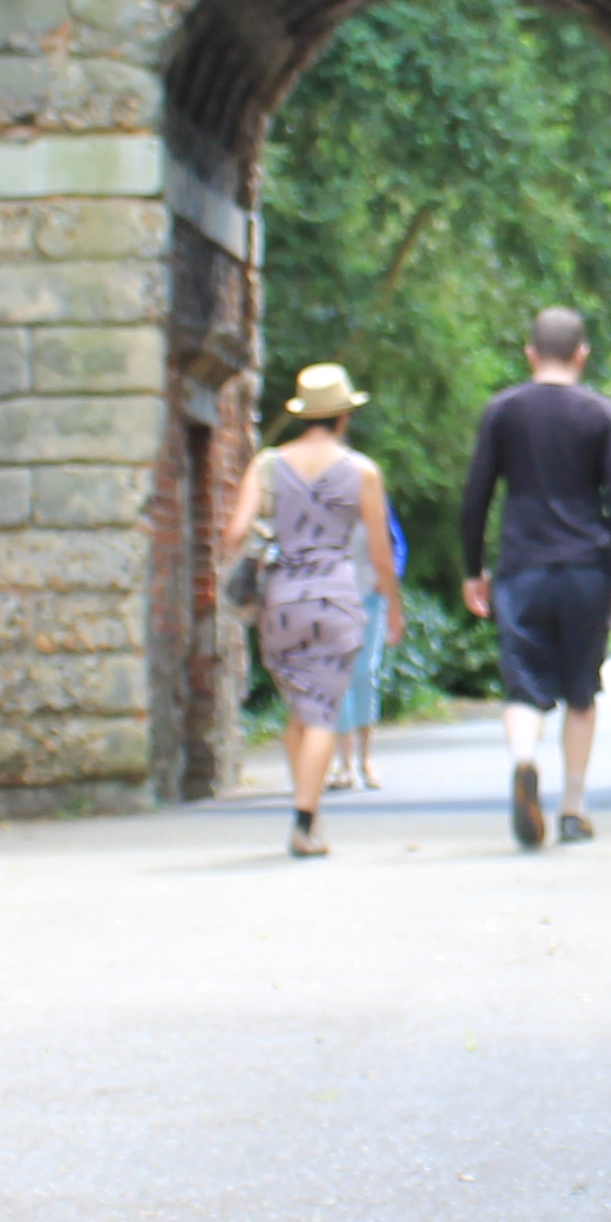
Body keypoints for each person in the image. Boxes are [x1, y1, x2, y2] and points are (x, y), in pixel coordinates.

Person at [454, 306, 611, 850]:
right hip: (586, 566)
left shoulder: (503, 411)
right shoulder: (602, 413)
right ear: (582, 353)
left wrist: (472, 569)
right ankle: (574, 810)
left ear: (530, 354)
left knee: (523, 684)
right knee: (581, 692)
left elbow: (476, 495)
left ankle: (524, 760)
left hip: (522, 566)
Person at [227, 363, 398, 858]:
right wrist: (393, 608)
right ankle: (305, 821)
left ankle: (310, 812)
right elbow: (382, 553)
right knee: (323, 711)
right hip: (336, 596)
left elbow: (235, 532)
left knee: (301, 711)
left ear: (305, 414)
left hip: (281, 599)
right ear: (344, 416)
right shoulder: (362, 472)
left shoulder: (267, 465)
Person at [332, 503, 407, 789]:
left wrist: (388, 579)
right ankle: (344, 764)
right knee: (339, 676)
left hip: (371, 598)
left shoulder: (375, 501)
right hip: (333, 599)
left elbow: (396, 545)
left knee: (364, 674)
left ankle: (366, 759)